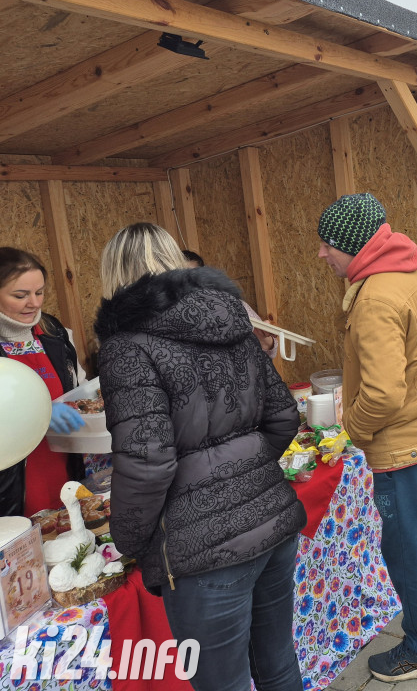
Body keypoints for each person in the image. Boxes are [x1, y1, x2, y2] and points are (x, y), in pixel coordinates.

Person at [95, 223, 304, 691]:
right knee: (277, 665)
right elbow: (283, 416)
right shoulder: (229, 315)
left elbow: (147, 461)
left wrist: (128, 540)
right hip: (271, 521)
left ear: (114, 277)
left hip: (204, 554)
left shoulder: (125, 346)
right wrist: (242, 472)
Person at [317, 194, 417, 681]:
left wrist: (354, 429)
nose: (322, 255)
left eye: (327, 246)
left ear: (352, 245)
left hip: (406, 442)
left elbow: (383, 394)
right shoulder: (414, 269)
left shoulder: (376, 297)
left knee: (408, 547)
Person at [0, 248, 85, 517]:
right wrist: (39, 414)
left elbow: (78, 385)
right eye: (20, 295)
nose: (34, 303)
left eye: (40, 292)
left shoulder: (54, 332)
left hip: (63, 467)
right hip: (14, 484)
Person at [182, 249, 278, 357]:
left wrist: (263, 340)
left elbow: (271, 353)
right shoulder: (168, 317)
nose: (187, 285)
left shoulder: (232, 305)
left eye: (192, 277)